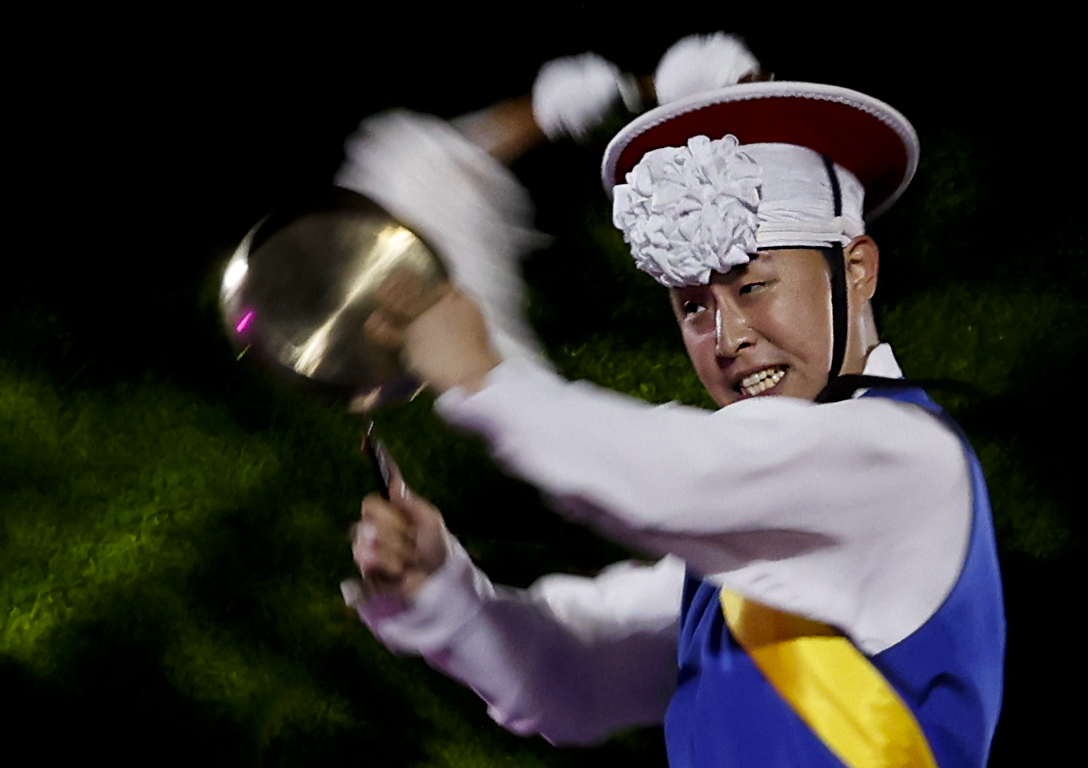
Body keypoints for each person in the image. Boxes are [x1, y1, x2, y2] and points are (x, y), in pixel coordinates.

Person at [340, 34, 1005, 768]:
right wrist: (440, 590)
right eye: (693, 306)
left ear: (857, 269)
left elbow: (676, 480)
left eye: (753, 286)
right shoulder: (743, 549)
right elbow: (570, 678)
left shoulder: (905, 460)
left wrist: (484, 376)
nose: (727, 337)